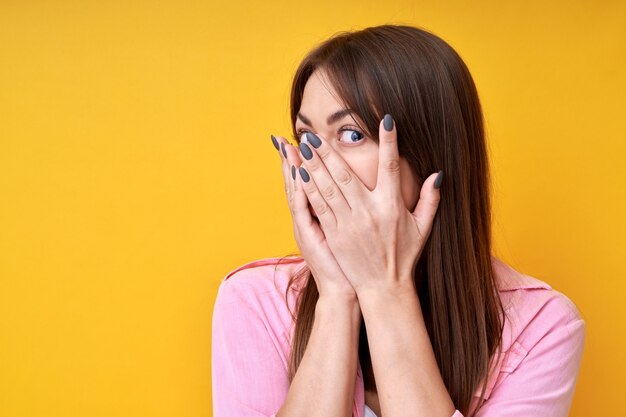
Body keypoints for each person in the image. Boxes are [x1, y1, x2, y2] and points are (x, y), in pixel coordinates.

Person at [211, 24, 586, 417]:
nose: (316, 162)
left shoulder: (542, 328)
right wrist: (337, 298)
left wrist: (383, 289)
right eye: (307, 137)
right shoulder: (255, 300)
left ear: (430, 157)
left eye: (352, 134)